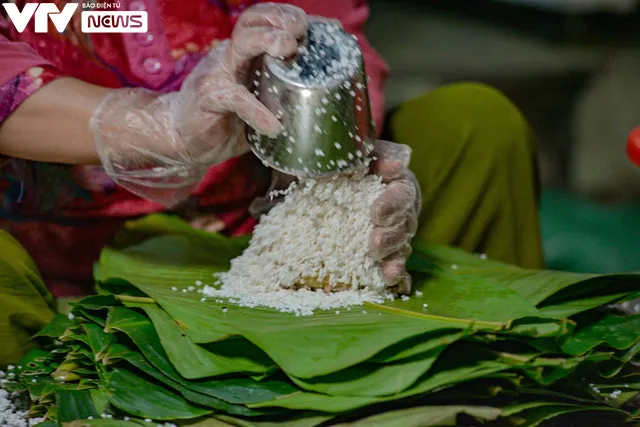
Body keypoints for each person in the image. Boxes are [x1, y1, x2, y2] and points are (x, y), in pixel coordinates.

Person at [0, 0, 543, 365]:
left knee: (473, 124)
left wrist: (336, 173)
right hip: (48, 252)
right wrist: (163, 127)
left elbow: (326, 32)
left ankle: (487, 370)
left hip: (254, 216)